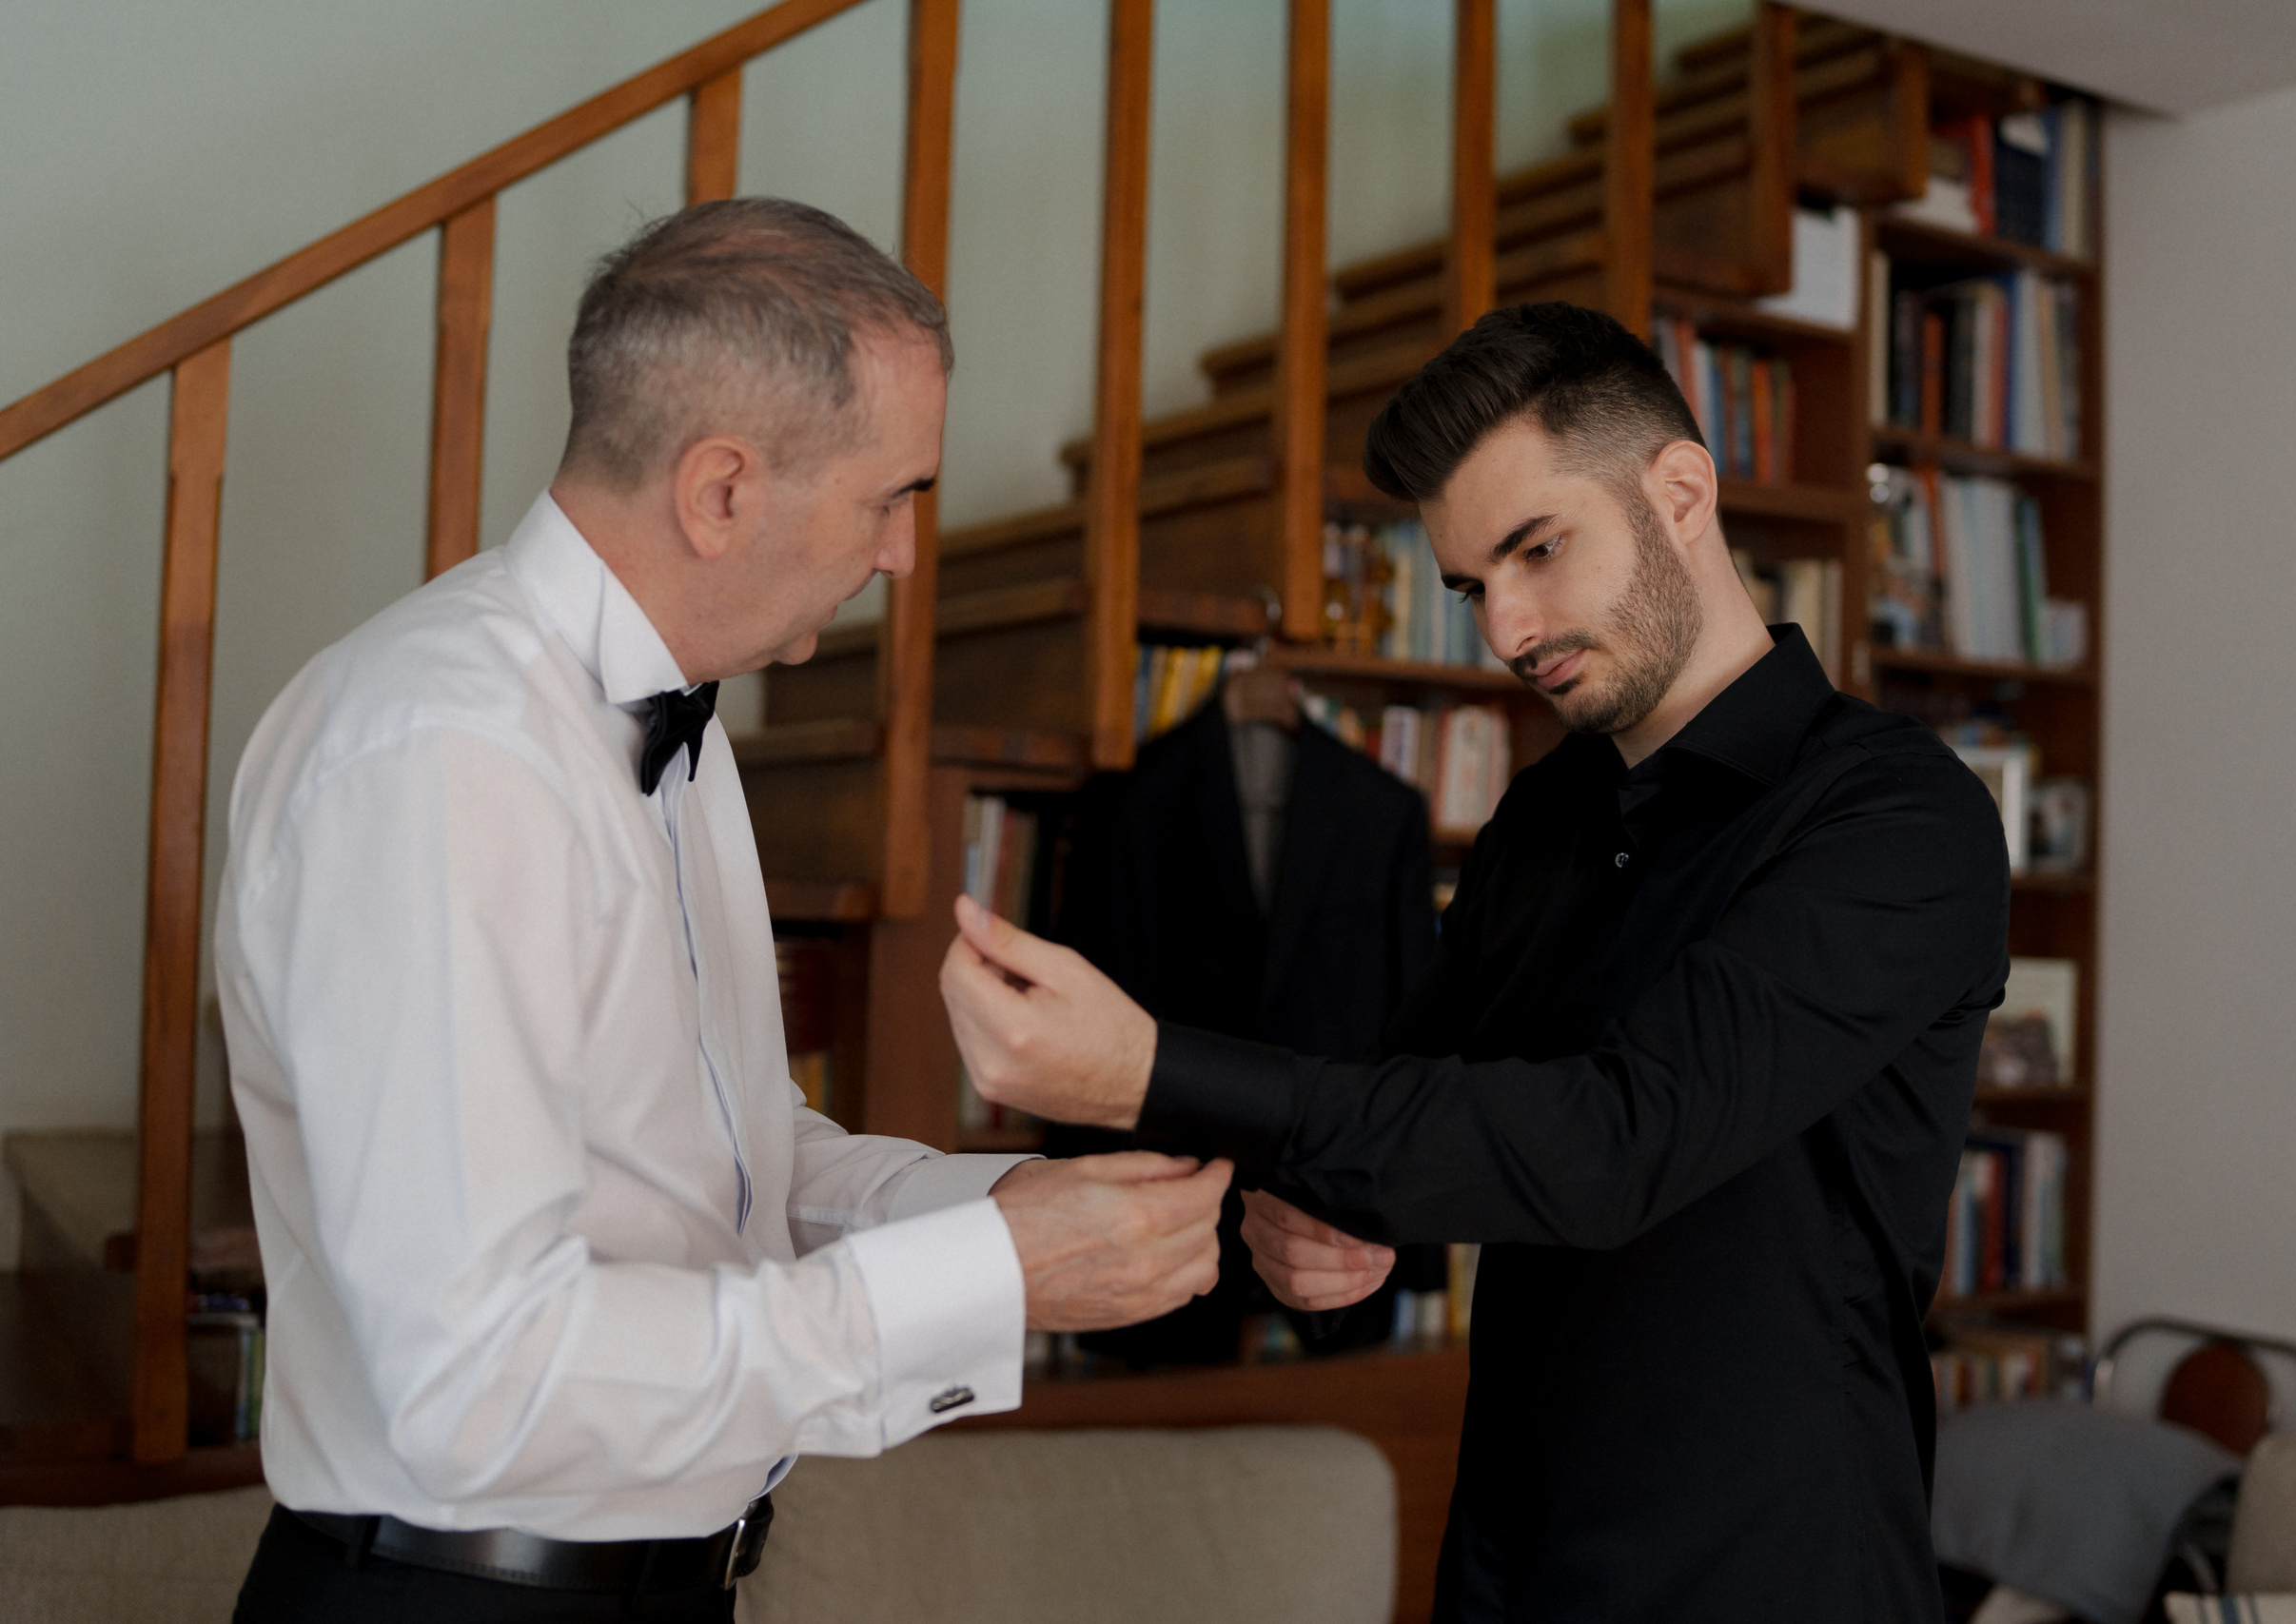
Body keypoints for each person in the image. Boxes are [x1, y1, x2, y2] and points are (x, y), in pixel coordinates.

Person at [217, 198, 1228, 1623]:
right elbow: (475, 1374)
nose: (902, 556)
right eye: (892, 497)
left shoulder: (676, 730)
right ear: (721, 491)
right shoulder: (437, 756)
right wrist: (969, 1282)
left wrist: (1000, 1211)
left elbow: (728, 1171)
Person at [938, 302, 2011, 1622]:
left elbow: (1621, 1138)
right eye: (1470, 585)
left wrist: (1147, 1070)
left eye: (1537, 549)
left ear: (1680, 492)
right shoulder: (1544, 819)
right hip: (1510, 1567)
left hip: (1776, 1576)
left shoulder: (1900, 821)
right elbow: (1409, 1102)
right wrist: (1328, 1221)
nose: (1505, 628)